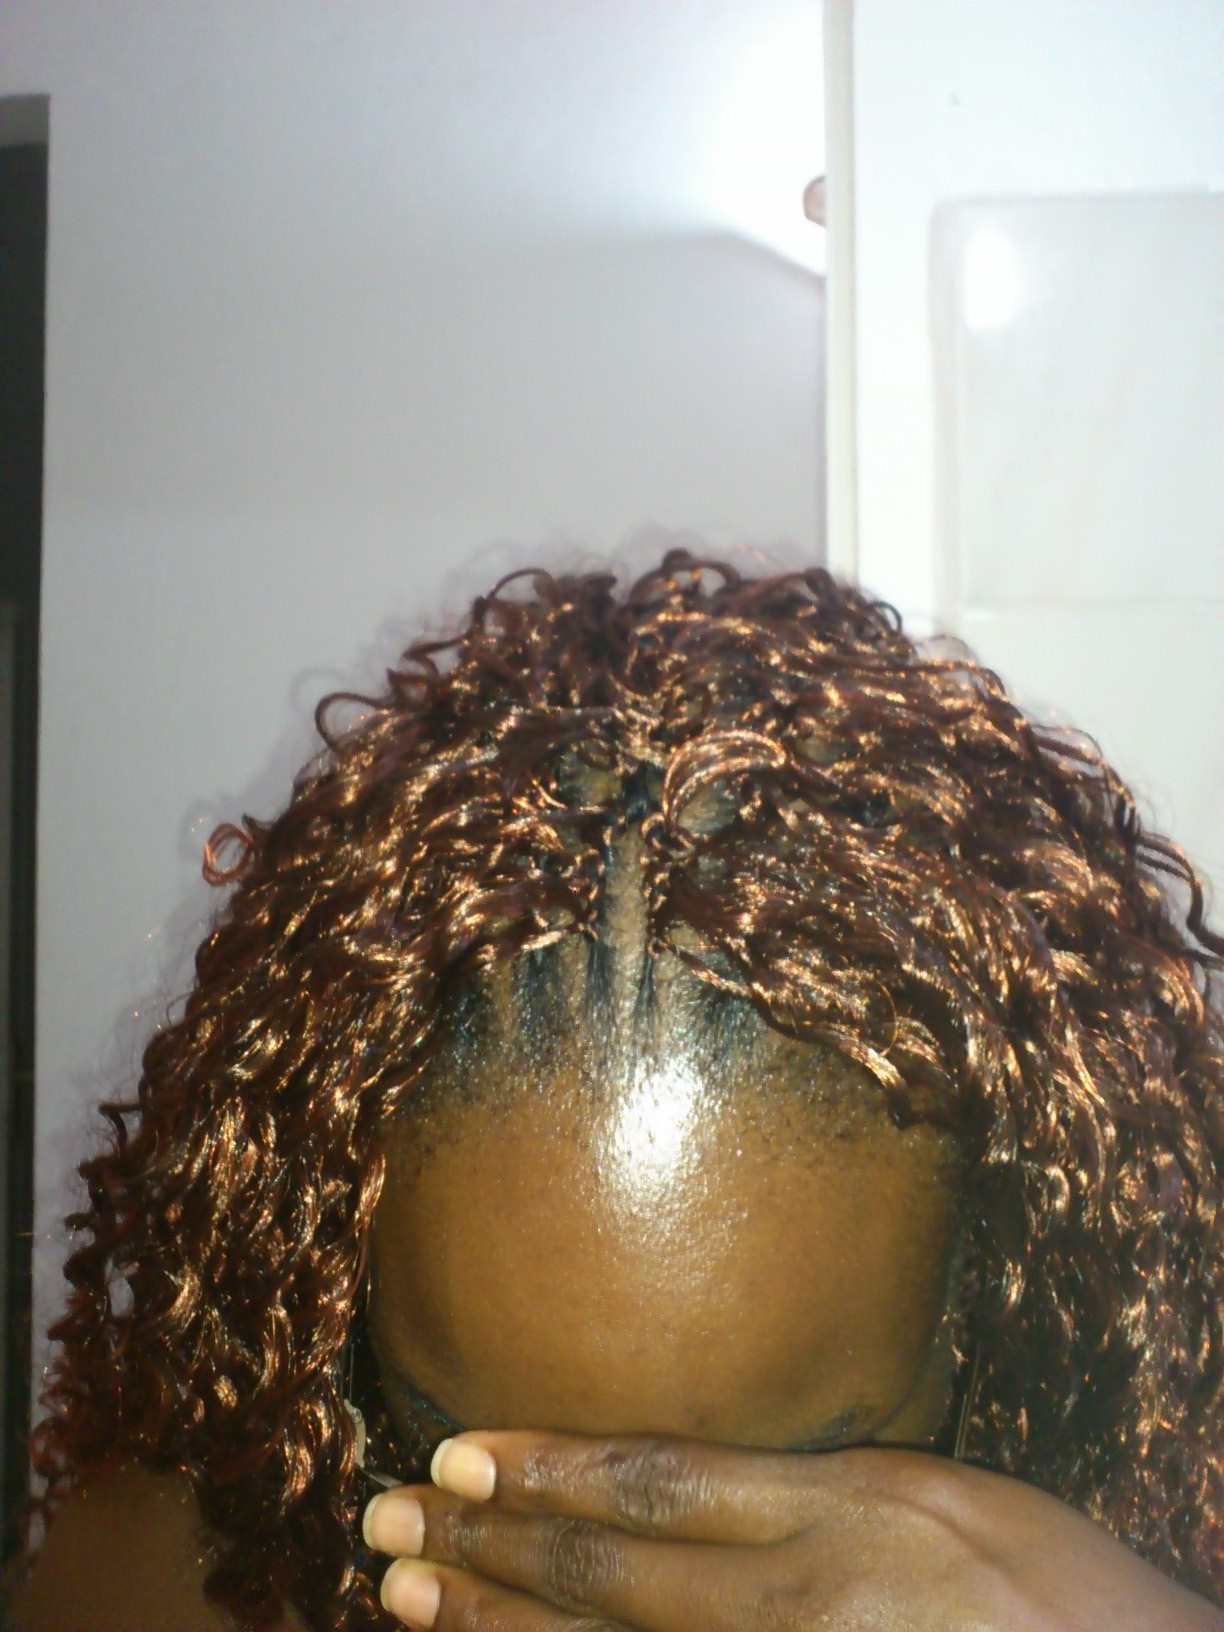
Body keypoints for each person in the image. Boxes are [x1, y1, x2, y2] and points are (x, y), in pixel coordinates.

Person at [7, 548, 1224, 1632]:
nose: (621, 1595)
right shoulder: (171, 1585)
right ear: (333, 1289)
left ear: (999, 1300)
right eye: (470, 1474)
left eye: (783, 1500)